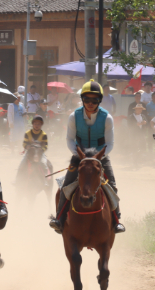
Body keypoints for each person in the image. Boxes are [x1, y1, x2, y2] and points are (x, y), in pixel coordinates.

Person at [49, 79, 125, 234]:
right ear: (82, 99)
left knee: (112, 186)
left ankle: (116, 221)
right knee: (66, 186)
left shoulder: (107, 118)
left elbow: (110, 143)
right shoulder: (73, 116)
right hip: (79, 156)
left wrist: (97, 158)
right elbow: (70, 140)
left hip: (101, 156)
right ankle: (60, 219)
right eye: (87, 99)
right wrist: (80, 156)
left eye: (94, 100)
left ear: (99, 100)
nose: (90, 103)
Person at [16, 115, 49, 185]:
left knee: (44, 164)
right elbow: (24, 144)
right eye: (35, 124)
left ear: (41, 125)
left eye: (39, 124)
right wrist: (27, 147)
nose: (37, 125)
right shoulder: (27, 133)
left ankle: (45, 180)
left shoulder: (44, 134)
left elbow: (45, 146)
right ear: (33, 124)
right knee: (21, 164)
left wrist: (41, 149)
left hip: (40, 154)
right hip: (29, 153)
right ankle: (17, 180)